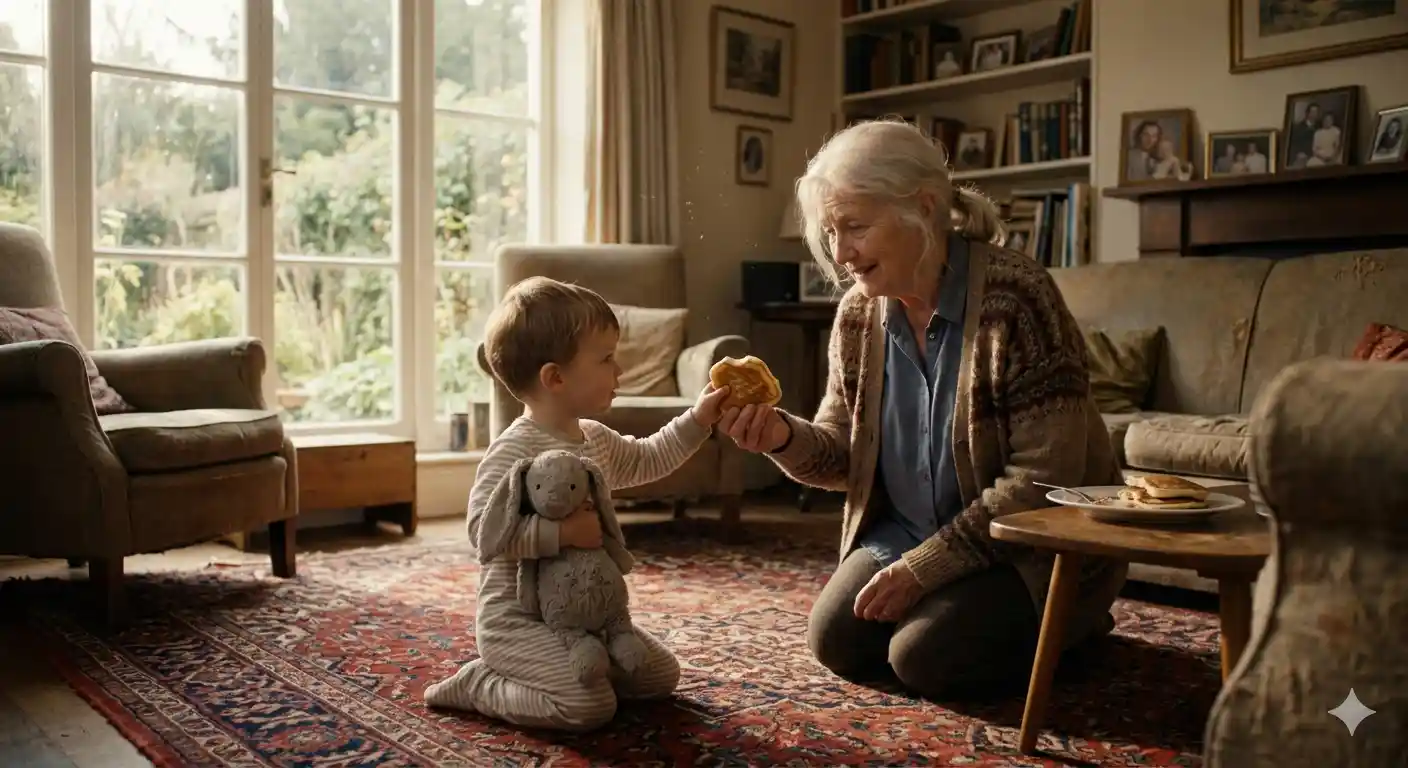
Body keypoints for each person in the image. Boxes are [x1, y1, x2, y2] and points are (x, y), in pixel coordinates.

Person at [718, 118, 1126, 700]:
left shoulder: (1018, 299)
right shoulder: (859, 315)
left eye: (855, 227)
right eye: (831, 232)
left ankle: (1076, 622)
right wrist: (781, 437)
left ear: (925, 208)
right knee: (836, 640)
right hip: (905, 531)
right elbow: (842, 457)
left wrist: (924, 571)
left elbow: (1042, 482)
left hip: (1023, 549)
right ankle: (974, 621)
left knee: (923, 658)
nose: (840, 253)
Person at [423, 277, 731, 730]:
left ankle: (577, 673)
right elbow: (481, 533)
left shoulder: (596, 439)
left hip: (588, 619)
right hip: (517, 622)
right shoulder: (513, 451)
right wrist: (561, 534)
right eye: (606, 359)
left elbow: (650, 457)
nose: (619, 371)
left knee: (661, 677)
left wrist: (700, 418)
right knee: (590, 709)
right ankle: (480, 683)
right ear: (556, 377)